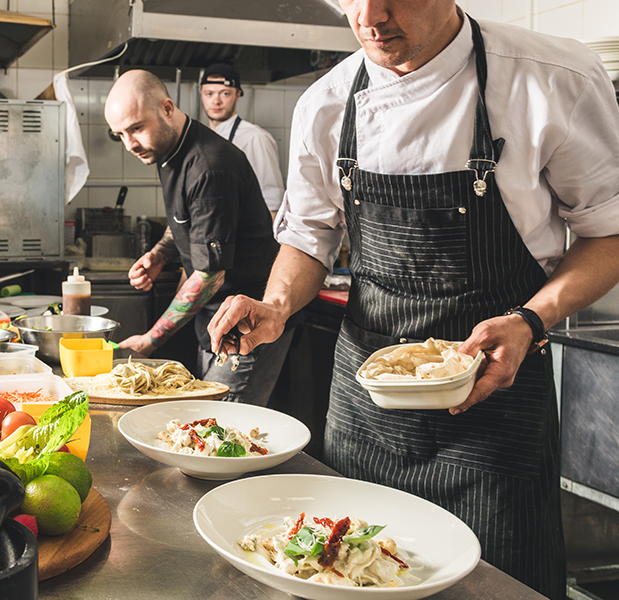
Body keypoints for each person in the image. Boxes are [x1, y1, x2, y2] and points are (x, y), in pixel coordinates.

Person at [207, 2, 619, 598]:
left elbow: (608, 234)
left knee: (497, 586)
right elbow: (309, 236)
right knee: (345, 575)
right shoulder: (326, 103)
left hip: (494, 405)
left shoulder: (551, 79)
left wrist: (532, 319)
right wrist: (276, 305)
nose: (370, 16)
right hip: (365, 410)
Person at [104, 69, 296, 406]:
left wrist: (150, 340)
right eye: (119, 134)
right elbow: (184, 219)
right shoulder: (167, 151)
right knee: (205, 420)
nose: (130, 145)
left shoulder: (210, 166)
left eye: (136, 128)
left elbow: (210, 275)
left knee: (224, 427)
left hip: (246, 327)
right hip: (212, 322)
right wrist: (161, 254)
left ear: (167, 108)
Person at [200, 63, 286, 219]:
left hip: (243, 231)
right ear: (201, 94)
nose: (216, 101)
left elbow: (272, 202)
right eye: (209, 94)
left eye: (225, 94)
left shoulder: (255, 138)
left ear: (238, 95)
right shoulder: (201, 138)